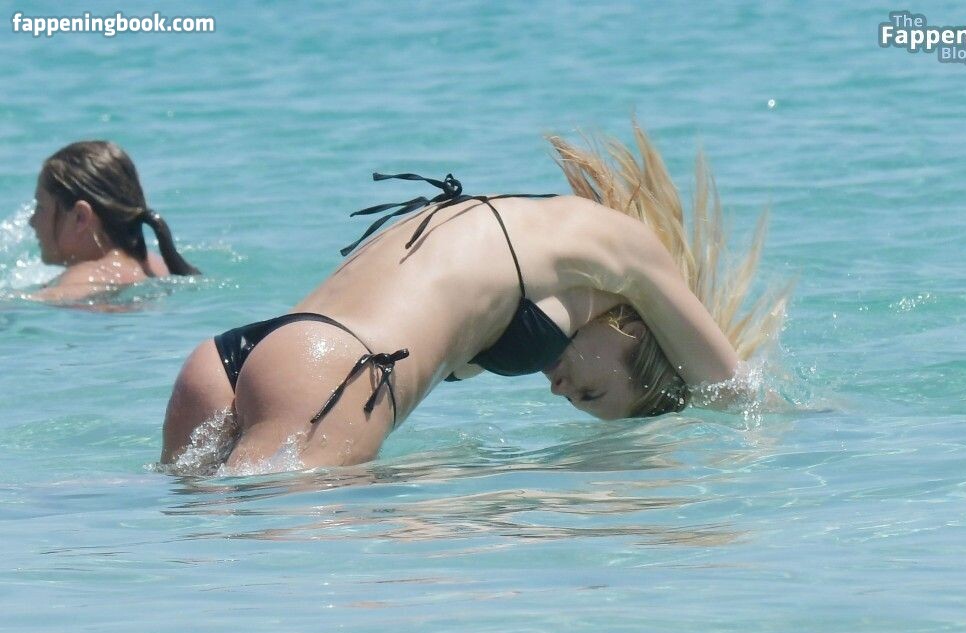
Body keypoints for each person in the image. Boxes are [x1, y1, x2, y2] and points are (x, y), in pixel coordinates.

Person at [162, 123, 789, 471]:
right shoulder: (628, 249)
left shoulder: (544, 250)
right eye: (593, 393)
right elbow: (730, 386)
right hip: (336, 373)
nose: (561, 393)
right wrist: (811, 428)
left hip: (236, 356)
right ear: (636, 330)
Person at [28, 140, 199, 302]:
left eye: (40, 207)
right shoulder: (161, 265)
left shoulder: (82, 279)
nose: (32, 221)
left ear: (81, 217)